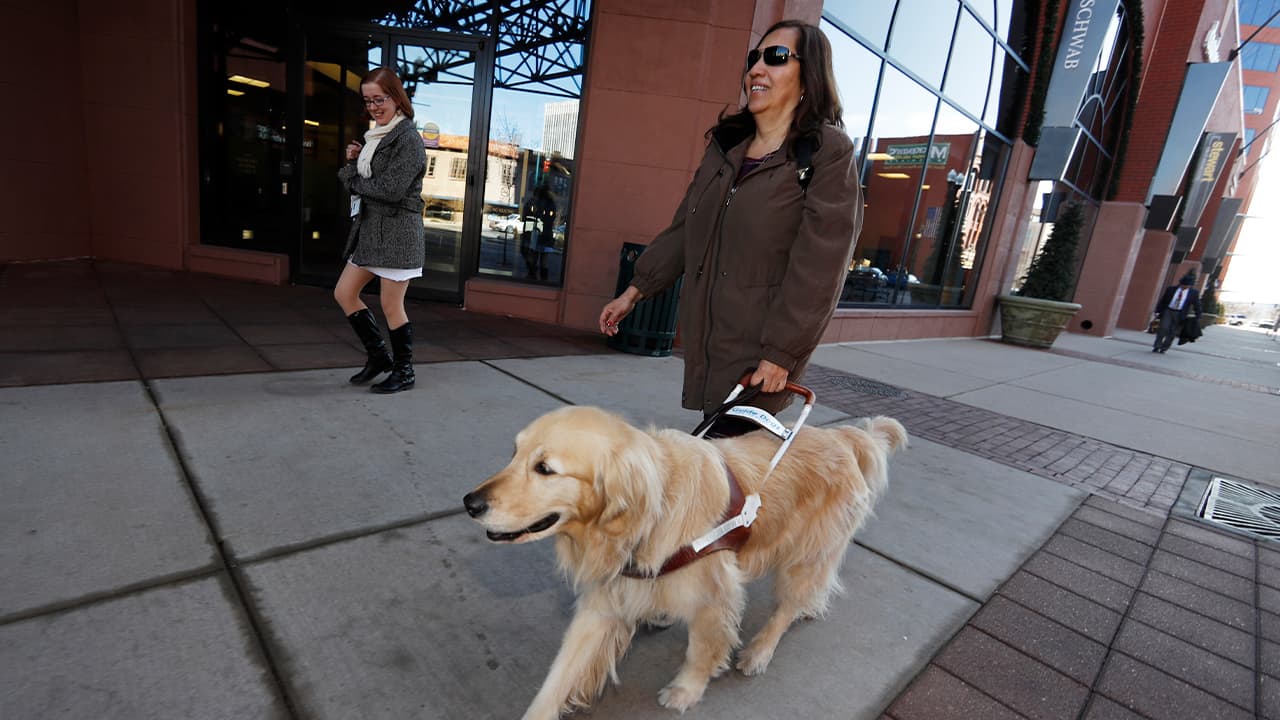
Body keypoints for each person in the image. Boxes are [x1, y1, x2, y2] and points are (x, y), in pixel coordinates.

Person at [598, 19, 863, 434]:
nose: (757, 68)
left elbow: (821, 265)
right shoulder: (726, 147)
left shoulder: (826, 153)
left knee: (722, 468)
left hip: (762, 352)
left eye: (775, 57)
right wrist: (636, 290)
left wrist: (782, 352)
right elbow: (687, 228)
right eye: (753, 58)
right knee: (718, 465)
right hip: (710, 338)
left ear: (808, 75)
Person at [335, 67, 426, 393]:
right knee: (344, 293)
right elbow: (372, 182)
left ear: (396, 98)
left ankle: (405, 372)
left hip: (398, 235)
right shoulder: (379, 138)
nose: (373, 106)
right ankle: (379, 357)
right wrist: (357, 161)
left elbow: (389, 189)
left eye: (379, 99)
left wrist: (349, 176)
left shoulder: (409, 140)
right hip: (372, 233)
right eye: (368, 100)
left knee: (391, 306)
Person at [1151, 272, 1201, 353]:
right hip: (1168, 310)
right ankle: (1157, 346)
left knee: (1173, 332)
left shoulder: (1193, 293)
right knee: (1163, 328)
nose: (1184, 287)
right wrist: (1158, 311)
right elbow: (1163, 300)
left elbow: (1197, 304)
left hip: (1180, 314)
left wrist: (1198, 315)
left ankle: (1164, 348)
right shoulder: (1171, 289)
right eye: (1183, 285)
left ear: (1190, 286)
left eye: (1186, 286)